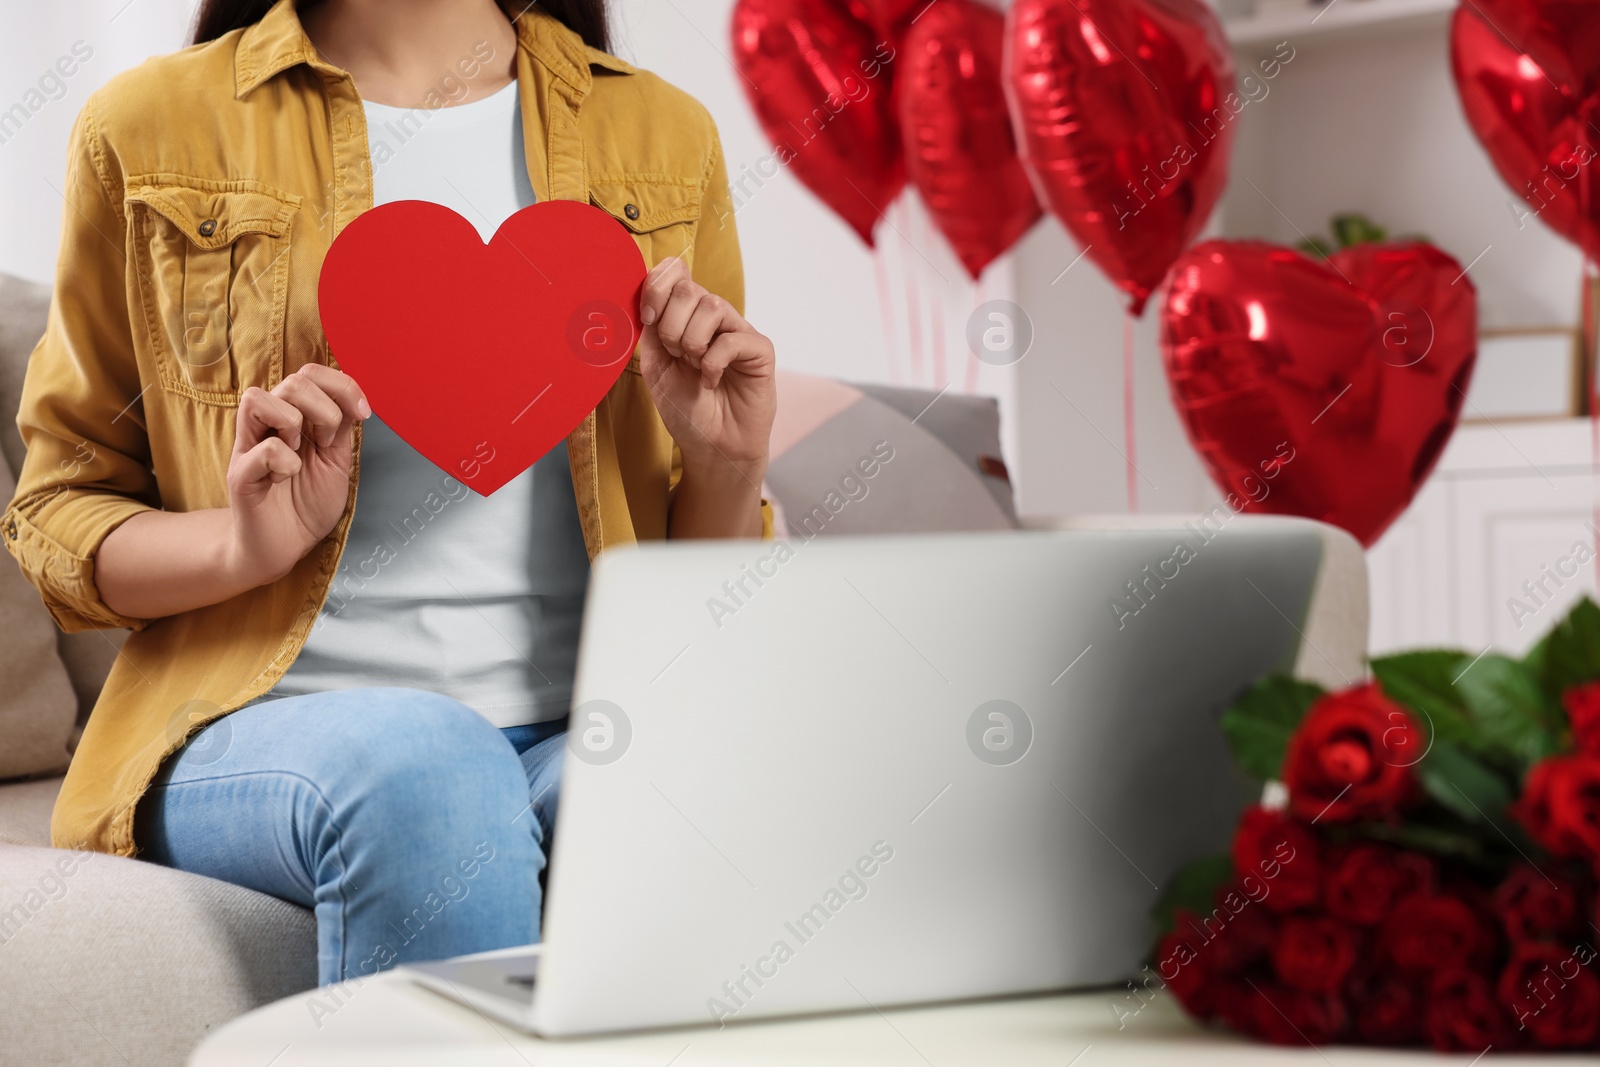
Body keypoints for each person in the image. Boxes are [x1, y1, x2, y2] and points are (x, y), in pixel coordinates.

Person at [2, 0, 776, 986]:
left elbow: (690, 593)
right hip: (254, 722)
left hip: (578, 714)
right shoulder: (149, 125)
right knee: (430, 765)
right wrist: (245, 545)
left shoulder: (662, 133)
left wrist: (725, 464)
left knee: (712, 779)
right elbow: (61, 509)